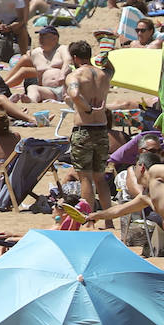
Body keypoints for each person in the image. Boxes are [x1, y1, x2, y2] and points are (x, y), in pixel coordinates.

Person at [88, 163, 164, 322]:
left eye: (132, 174)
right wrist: (97, 215)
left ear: (141, 167)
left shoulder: (155, 171)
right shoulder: (146, 196)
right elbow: (120, 210)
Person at [64, 39, 113, 219]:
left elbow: (75, 94)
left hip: (84, 129)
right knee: (100, 178)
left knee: (85, 178)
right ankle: (108, 221)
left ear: (75, 57)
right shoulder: (104, 75)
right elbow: (111, 68)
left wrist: (87, 108)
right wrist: (105, 56)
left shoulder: (75, 76)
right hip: (101, 129)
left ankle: (89, 220)